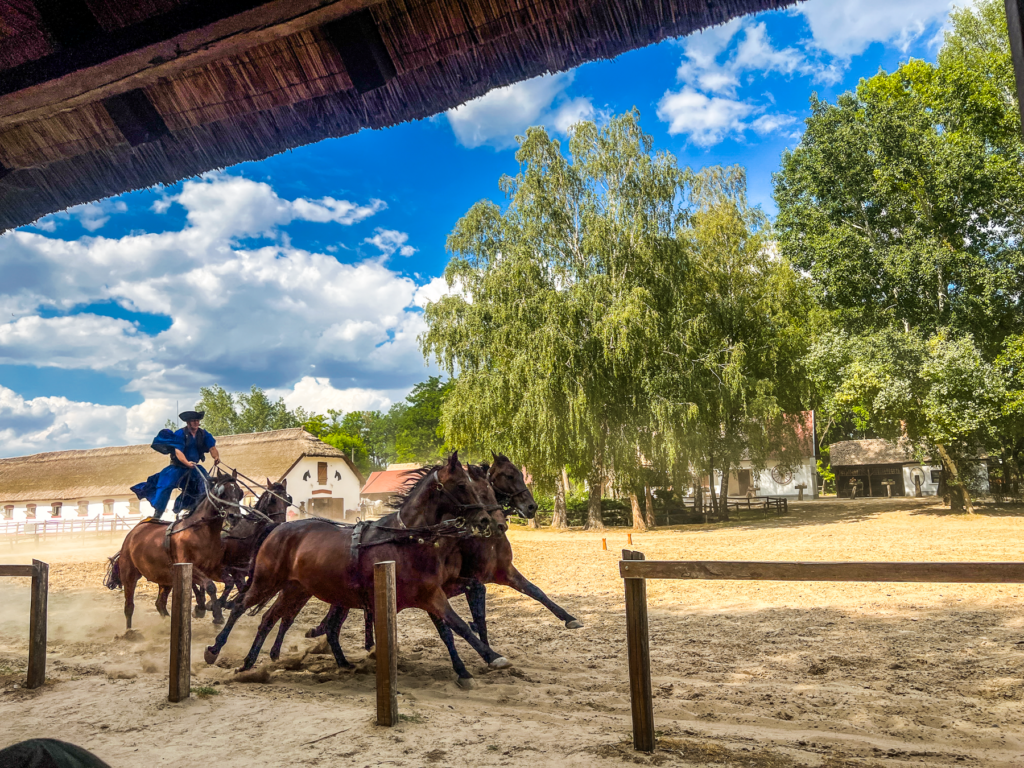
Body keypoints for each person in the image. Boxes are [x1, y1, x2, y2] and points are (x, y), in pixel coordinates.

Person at [130, 410, 221, 520]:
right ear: (188, 422)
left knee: (206, 483)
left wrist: (216, 457)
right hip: (177, 467)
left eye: (197, 420)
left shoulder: (204, 434)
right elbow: (178, 452)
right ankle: (158, 514)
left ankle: (200, 510)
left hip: (194, 467)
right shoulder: (180, 434)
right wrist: (187, 463)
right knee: (165, 485)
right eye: (194, 420)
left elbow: (212, 448)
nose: (196, 422)